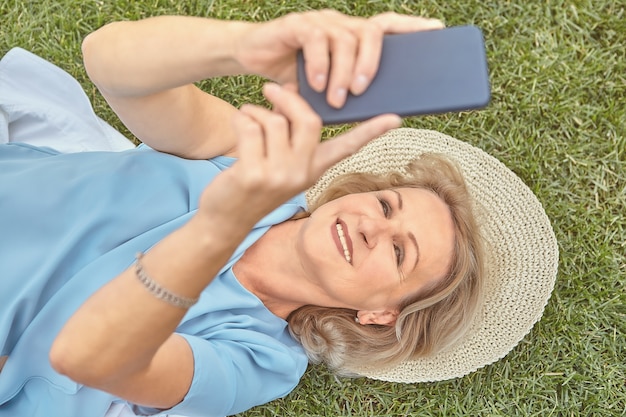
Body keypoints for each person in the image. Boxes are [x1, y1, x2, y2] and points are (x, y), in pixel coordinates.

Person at [0, 9, 559, 417]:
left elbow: (90, 358)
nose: (373, 226)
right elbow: (108, 57)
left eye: (397, 251)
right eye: (387, 205)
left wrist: (223, 225)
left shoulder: (256, 360)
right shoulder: (252, 164)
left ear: (381, 314)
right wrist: (247, 46)